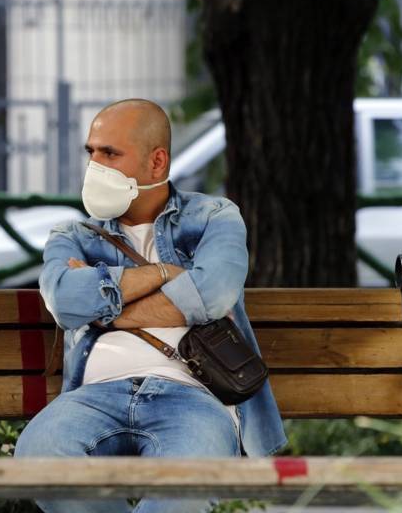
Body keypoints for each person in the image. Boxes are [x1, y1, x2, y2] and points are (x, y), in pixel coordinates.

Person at [14, 99, 286, 513]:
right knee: (40, 459)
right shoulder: (72, 233)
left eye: (110, 154)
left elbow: (212, 294)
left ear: (157, 163)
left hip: (195, 396)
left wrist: (107, 309)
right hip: (92, 397)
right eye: (92, 152)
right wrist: (164, 274)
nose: (95, 166)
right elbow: (67, 302)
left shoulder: (214, 216)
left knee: (184, 489)